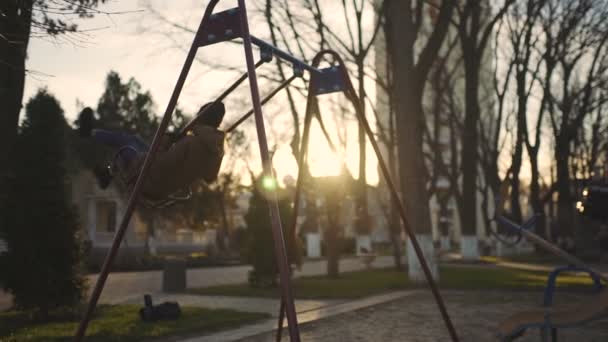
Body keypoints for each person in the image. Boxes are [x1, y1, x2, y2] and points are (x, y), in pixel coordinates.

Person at [78, 103, 226, 203]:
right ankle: (108, 172)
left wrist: (166, 142)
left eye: (198, 116)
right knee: (135, 139)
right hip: (165, 187)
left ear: (201, 119)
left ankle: (90, 132)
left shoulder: (190, 143)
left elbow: (161, 165)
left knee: (125, 140)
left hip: (148, 179)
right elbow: (210, 177)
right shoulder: (216, 152)